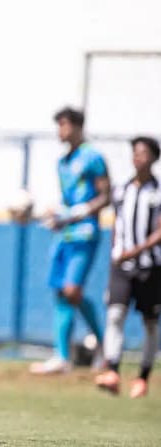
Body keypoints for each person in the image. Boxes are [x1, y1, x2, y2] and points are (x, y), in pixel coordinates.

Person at [29, 107, 110, 375]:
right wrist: (54, 215)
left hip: (85, 233)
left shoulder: (93, 157)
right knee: (60, 291)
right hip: (65, 235)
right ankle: (62, 356)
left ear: (77, 126)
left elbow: (105, 196)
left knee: (72, 290)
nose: (60, 130)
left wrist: (78, 212)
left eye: (63, 124)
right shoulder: (62, 162)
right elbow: (66, 201)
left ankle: (104, 345)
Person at [95, 136, 161, 398]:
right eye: (135, 153)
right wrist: (115, 250)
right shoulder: (122, 190)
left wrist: (134, 251)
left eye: (143, 153)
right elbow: (118, 224)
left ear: (153, 158)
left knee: (150, 323)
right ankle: (112, 370)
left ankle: (143, 376)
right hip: (121, 265)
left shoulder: (157, 193)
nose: (137, 158)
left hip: (151, 267)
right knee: (115, 314)